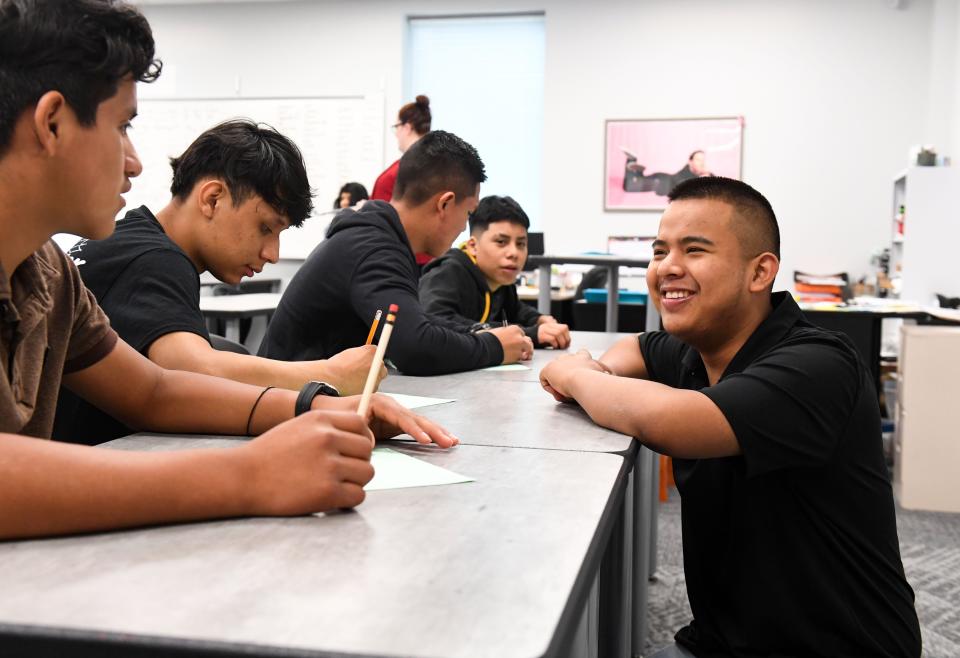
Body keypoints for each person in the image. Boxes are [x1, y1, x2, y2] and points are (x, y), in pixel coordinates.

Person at [0, 0, 456, 540]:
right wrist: (250, 474)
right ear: (52, 123)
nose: (134, 161)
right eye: (122, 126)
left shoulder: (49, 274)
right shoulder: (142, 258)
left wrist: (317, 406)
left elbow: (154, 393)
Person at [539, 177, 921, 657]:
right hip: (725, 641)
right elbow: (636, 346)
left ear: (760, 272)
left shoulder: (820, 365)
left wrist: (576, 376)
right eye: (660, 252)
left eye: (694, 250)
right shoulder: (699, 347)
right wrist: (598, 368)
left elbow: (678, 421)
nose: (668, 268)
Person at [54, 120, 384, 446]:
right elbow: (191, 371)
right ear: (213, 199)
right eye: (266, 228)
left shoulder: (130, 237)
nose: (272, 254)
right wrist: (330, 374)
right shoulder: (155, 259)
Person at [259, 131, 534, 376]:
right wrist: (494, 346)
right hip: (285, 408)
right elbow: (414, 348)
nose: (464, 227)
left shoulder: (381, 237)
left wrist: (479, 332)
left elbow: (417, 321)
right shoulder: (374, 247)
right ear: (445, 204)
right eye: (468, 213)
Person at [419, 195, 571, 349]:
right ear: (473, 246)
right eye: (501, 242)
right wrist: (530, 333)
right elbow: (433, 320)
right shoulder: (448, 272)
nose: (513, 253)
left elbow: (516, 310)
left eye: (521, 244)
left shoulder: (501, 280)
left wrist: (539, 319)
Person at [371, 95, 432, 265]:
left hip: (400, 259)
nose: (396, 133)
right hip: (416, 259)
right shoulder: (434, 167)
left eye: (396, 127)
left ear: (407, 127)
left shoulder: (405, 169)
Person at [623, 149, 710, 196]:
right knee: (629, 187)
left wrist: (707, 176)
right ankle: (632, 160)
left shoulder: (704, 174)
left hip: (661, 181)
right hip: (659, 182)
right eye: (698, 160)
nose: (701, 162)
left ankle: (638, 171)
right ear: (690, 162)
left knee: (637, 181)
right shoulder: (687, 172)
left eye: (703, 160)